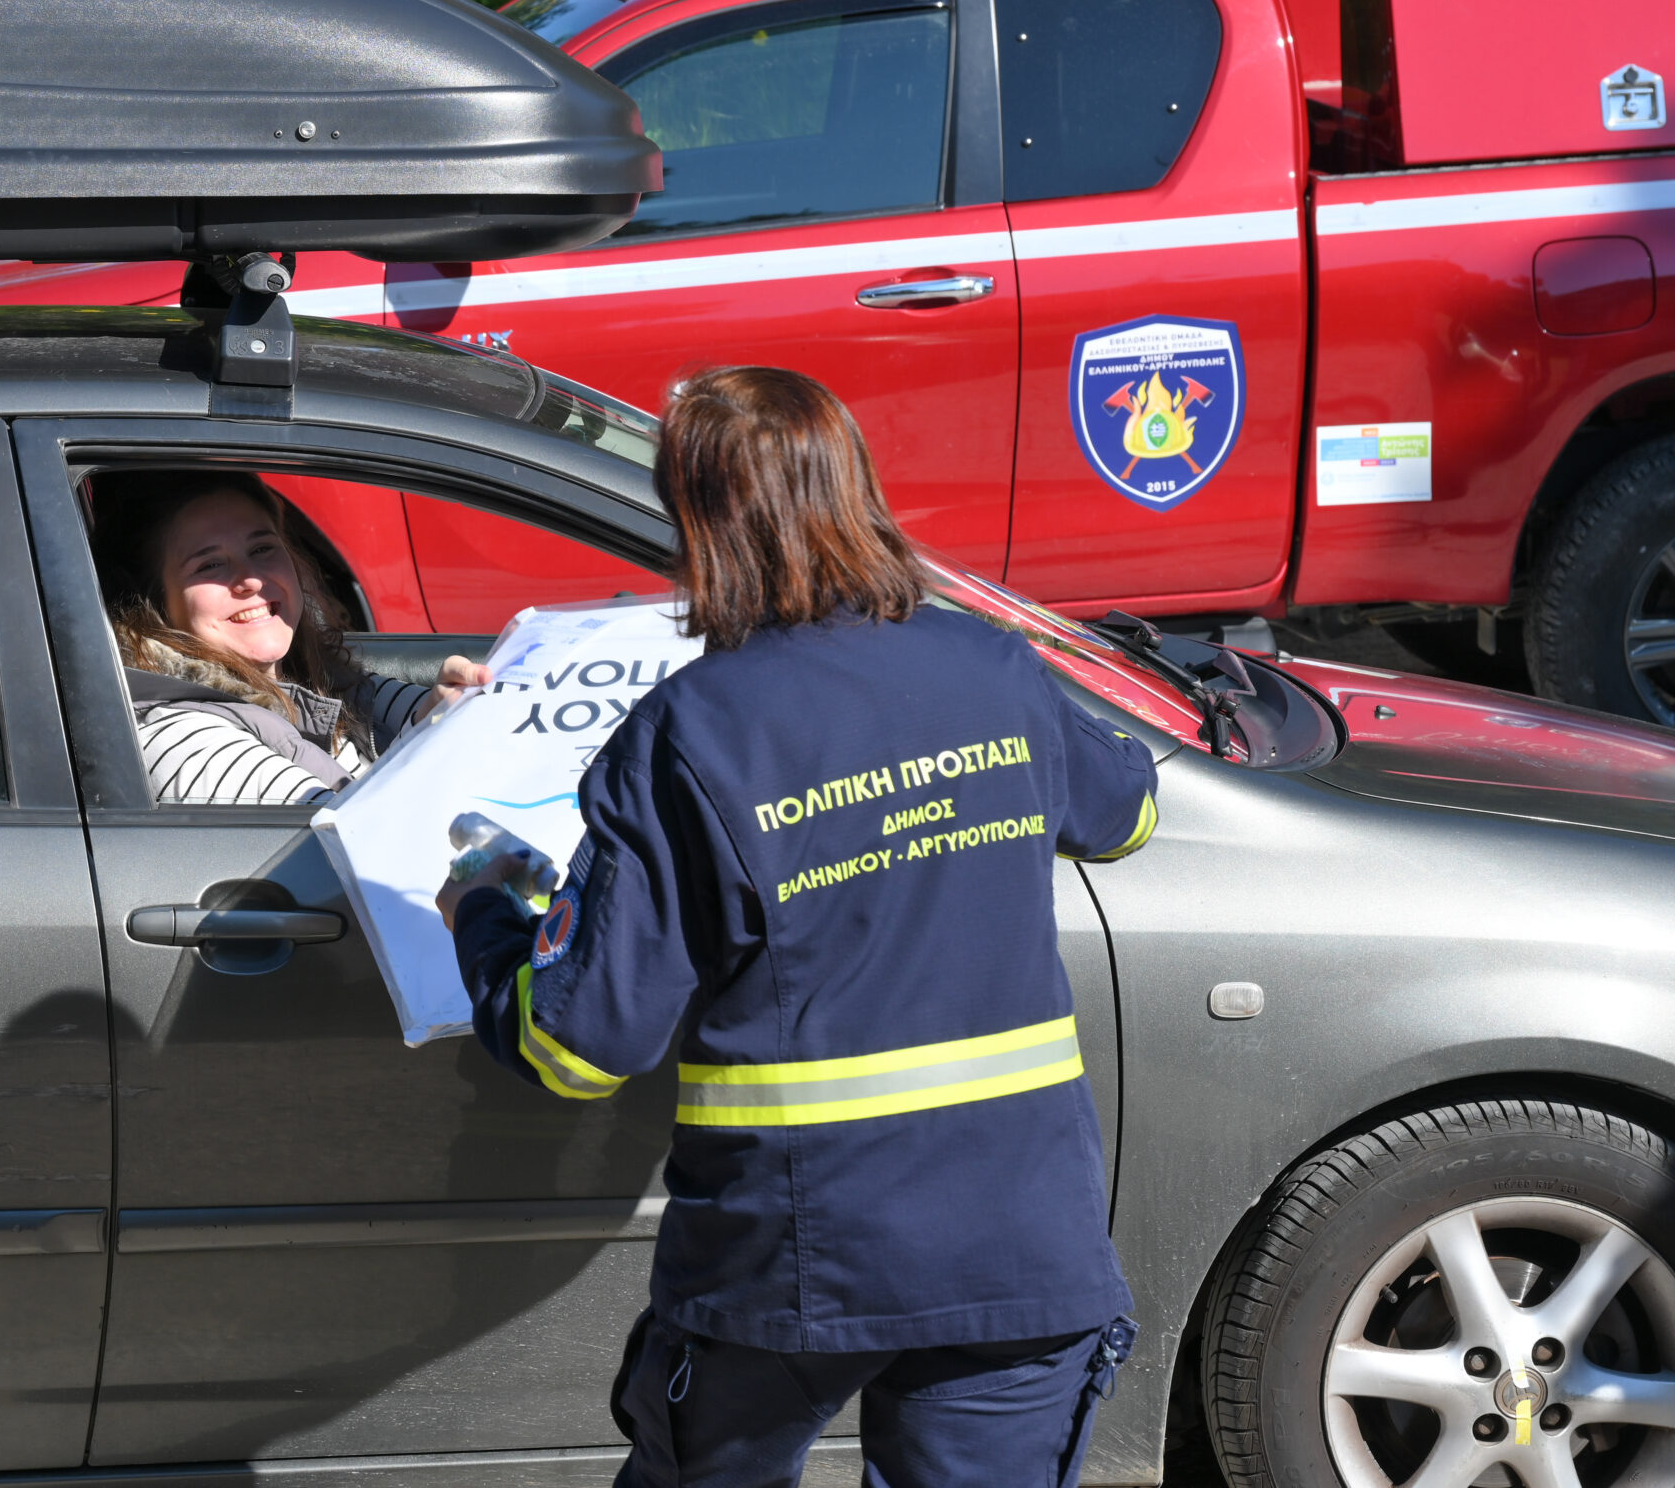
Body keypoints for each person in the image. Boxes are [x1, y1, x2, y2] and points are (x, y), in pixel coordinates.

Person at [440, 367, 1158, 1488]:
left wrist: (483, 906)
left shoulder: (688, 732)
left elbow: (576, 1046)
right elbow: (1125, 814)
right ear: (856, 485)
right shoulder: (990, 667)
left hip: (793, 1261)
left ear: (695, 521)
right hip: (1019, 1247)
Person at [89, 470, 488, 805]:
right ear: (157, 605)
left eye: (262, 548)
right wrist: (428, 735)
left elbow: (426, 715)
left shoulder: (319, 680)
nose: (251, 579)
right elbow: (357, 838)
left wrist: (452, 706)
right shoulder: (186, 741)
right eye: (209, 565)